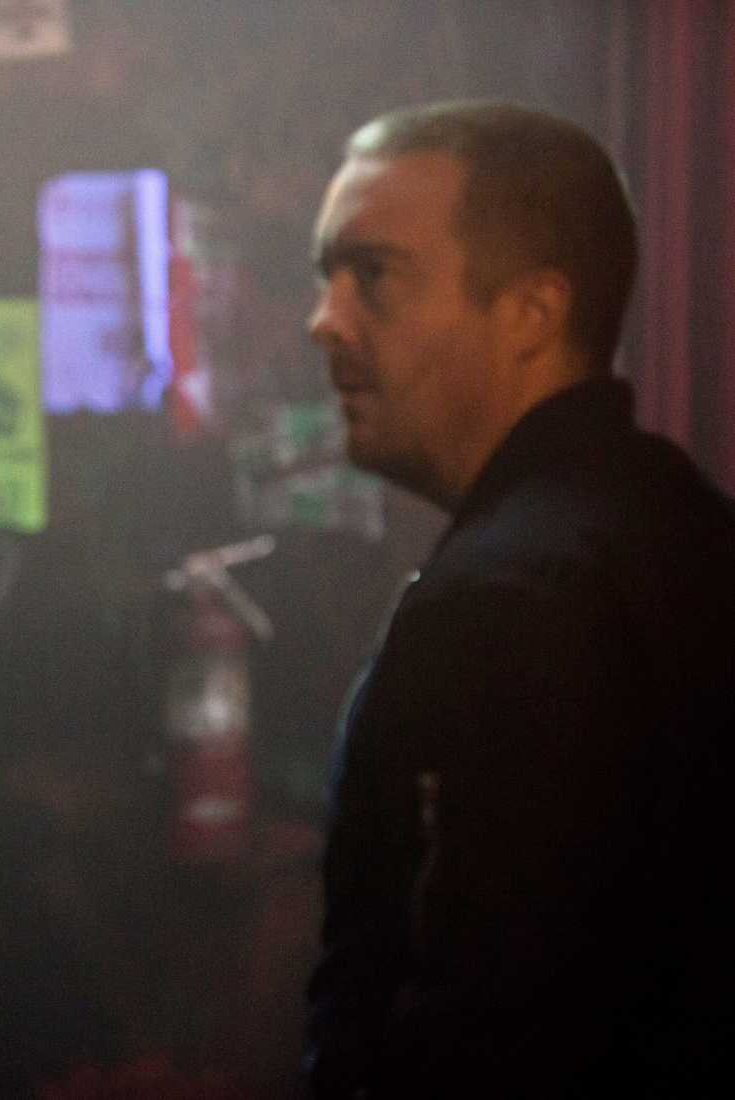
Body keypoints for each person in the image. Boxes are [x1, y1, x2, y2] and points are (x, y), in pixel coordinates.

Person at [303, 101, 735, 1098]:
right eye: (327, 273)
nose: (324, 317)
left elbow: (482, 1030)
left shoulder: (512, 596)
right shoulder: (681, 526)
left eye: (373, 273)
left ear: (534, 312)